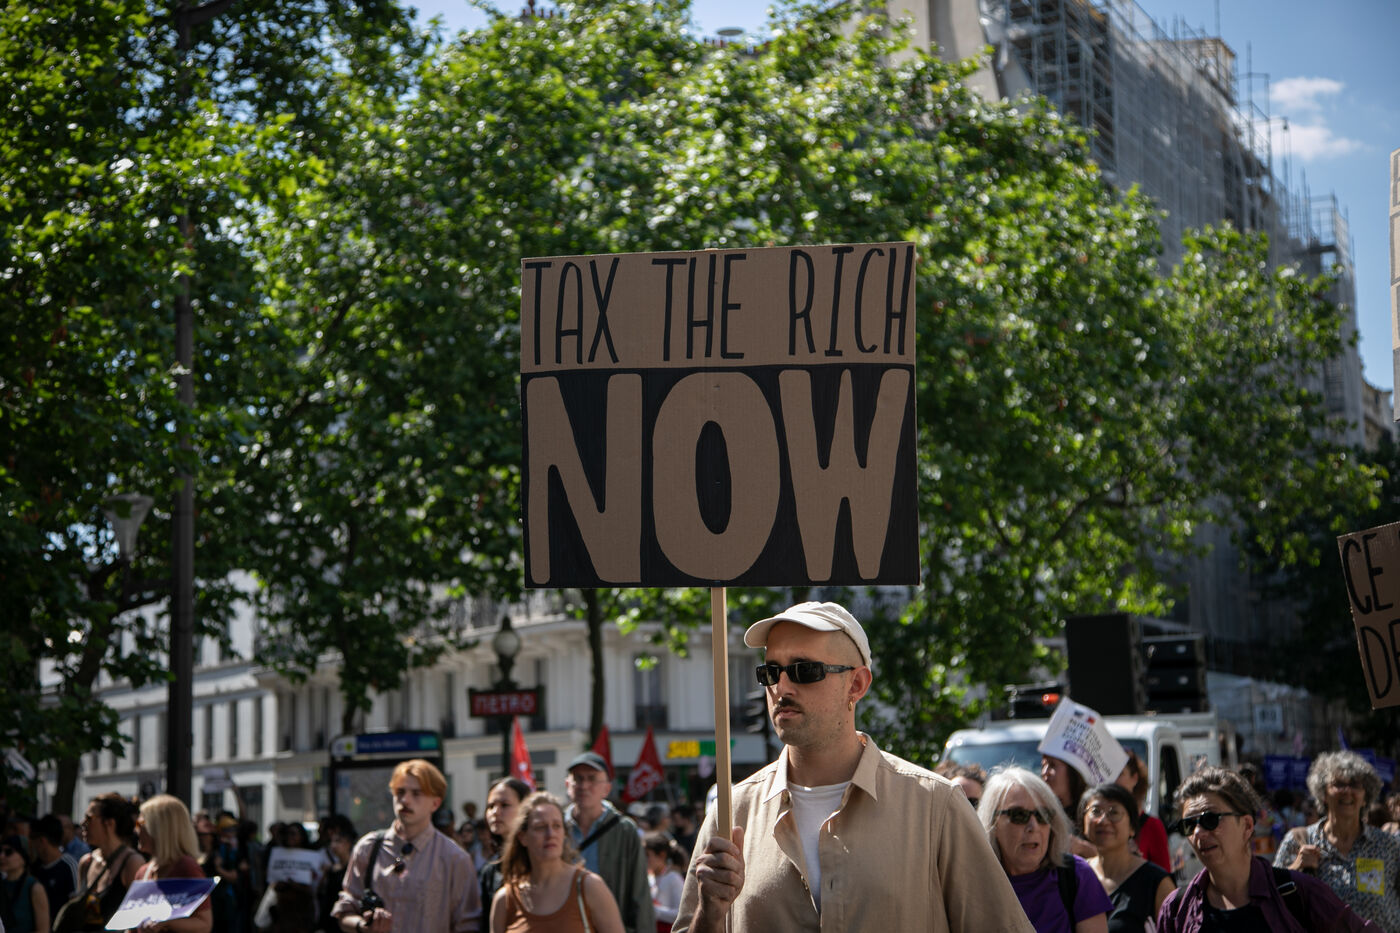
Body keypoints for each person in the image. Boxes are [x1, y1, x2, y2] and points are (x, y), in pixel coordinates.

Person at [674, 600, 1034, 933]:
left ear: (857, 684)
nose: (782, 686)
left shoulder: (934, 807)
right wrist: (709, 914)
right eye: (770, 672)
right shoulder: (732, 813)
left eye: (804, 670)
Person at [1156, 765, 1376, 931]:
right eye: (1189, 825)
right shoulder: (1177, 909)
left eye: (1210, 819)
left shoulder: (1298, 893)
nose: (1198, 833)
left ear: (1247, 826)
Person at [332, 758, 481, 932]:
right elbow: (345, 910)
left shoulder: (455, 858)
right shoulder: (368, 848)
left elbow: (468, 924)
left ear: (435, 803)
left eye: (416, 793)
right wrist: (363, 926)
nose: (405, 800)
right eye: (400, 792)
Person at [1275, 750, 1400, 929]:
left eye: (1355, 784)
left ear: (1365, 797)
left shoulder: (1388, 846)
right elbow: (1271, 900)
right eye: (1339, 784)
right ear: (1323, 794)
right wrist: (1295, 868)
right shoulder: (1297, 841)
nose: (1347, 791)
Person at [980, 768, 1111, 932]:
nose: (1033, 826)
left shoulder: (1077, 876)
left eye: (1043, 815)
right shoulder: (973, 883)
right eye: (1019, 815)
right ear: (993, 823)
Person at [489, 792, 624, 933]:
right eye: (540, 827)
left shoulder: (589, 887)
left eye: (557, 826)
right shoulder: (505, 900)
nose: (550, 834)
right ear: (522, 837)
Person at [562, 753, 653, 933]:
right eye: (578, 778)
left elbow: (640, 893)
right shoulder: (555, 827)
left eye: (592, 779)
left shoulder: (624, 830)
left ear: (607, 788)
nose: (584, 785)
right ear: (567, 784)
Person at [1080, 783, 1174, 933]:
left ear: (1132, 827)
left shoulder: (1155, 883)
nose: (1103, 820)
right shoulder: (1075, 875)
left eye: (1114, 813)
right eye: (1095, 811)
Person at [130, 795, 212, 933]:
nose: (135, 830)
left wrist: (167, 922)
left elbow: (204, 924)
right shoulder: (143, 872)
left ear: (159, 828)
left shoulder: (187, 867)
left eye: (140, 824)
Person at [75, 794, 145, 932]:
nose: (83, 823)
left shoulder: (132, 863)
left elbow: (139, 920)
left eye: (89, 818)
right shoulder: (86, 862)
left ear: (110, 823)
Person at [480, 779, 533, 917]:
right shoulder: (490, 871)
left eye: (504, 805)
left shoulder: (540, 861)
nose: (495, 812)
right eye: (491, 806)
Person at [1114, 752, 1170, 873]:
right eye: (1108, 772)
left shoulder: (1152, 826)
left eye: (1119, 773)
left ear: (1134, 778)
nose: (1112, 779)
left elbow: (1165, 879)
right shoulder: (1098, 824)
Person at [1043, 755, 1097, 860]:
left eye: (1052, 765)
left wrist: (1083, 848)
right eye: (1043, 766)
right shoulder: (1041, 812)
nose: (1045, 772)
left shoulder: (1094, 812)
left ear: (1073, 770)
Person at [27, 817, 77, 916]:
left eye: (32, 839)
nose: (30, 844)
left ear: (42, 841)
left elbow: (76, 904)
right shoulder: (34, 867)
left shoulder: (69, 866)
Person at [314, 815, 356, 933]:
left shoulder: (357, 868)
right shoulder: (331, 870)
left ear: (348, 843)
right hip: (332, 921)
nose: (333, 846)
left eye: (338, 841)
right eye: (332, 841)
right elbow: (327, 899)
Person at [0, 834, 49, 933]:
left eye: (8, 852)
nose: (1, 856)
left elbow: (43, 930)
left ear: (23, 856)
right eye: (0, 851)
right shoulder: (2, 885)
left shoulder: (35, 888)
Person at [642, 834, 683, 933]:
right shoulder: (649, 877)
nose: (644, 859)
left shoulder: (673, 878)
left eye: (647, 855)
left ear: (662, 855)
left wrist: (653, 910)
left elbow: (681, 914)